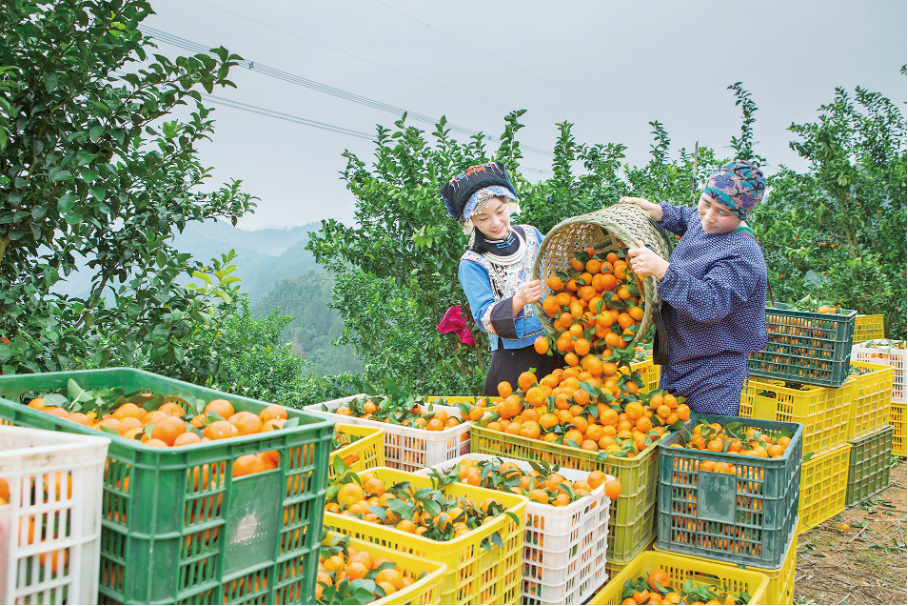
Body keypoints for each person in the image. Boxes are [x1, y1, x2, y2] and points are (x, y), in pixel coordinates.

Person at [621, 161, 769, 415]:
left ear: (741, 215)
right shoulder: (702, 222)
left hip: (714, 373)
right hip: (677, 358)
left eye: (723, 212)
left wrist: (661, 269)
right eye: (706, 203)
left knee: (703, 442)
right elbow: (687, 217)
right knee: (672, 440)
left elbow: (710, 304)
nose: (709, 217)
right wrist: (656, 210)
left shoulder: (743, 254)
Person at [440, 162, 561, 397]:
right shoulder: (473, 263)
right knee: (518, 422)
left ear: (509, 204)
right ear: (470, 222)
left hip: (555, 344)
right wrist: (519, 299)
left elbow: (558, 264)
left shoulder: (531, 234)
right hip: (516, 360)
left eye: (499, 211)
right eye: (482, 218)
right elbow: (484, 317)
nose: (495, 222)